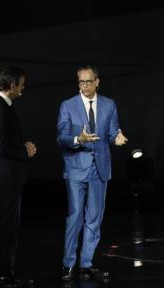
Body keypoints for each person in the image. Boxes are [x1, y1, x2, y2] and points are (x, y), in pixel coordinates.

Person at [56, 65, 128, 281]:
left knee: (94, 218)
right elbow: (61, 137)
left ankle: (86, 263)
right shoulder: (68, 105)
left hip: (100, 168)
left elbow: (114, 131)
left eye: (88, 81)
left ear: (97, 81)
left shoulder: (109, 104)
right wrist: (79, 139)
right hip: (76, 167)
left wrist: (117, 138)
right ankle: (68, 264)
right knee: (75, 216)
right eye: (81, 82)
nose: (85, 85)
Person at [0, 65, 36, 287]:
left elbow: (5, 143)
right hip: (8, 179)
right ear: (13, 85)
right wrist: (26, 151)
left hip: (8, 178)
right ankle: (4, 276)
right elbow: (2, 148)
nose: (23, 89)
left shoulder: (1, 107)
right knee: (8, 228)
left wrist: (21, 146)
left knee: (7, 227)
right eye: (21, 85)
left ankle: (3, 274)